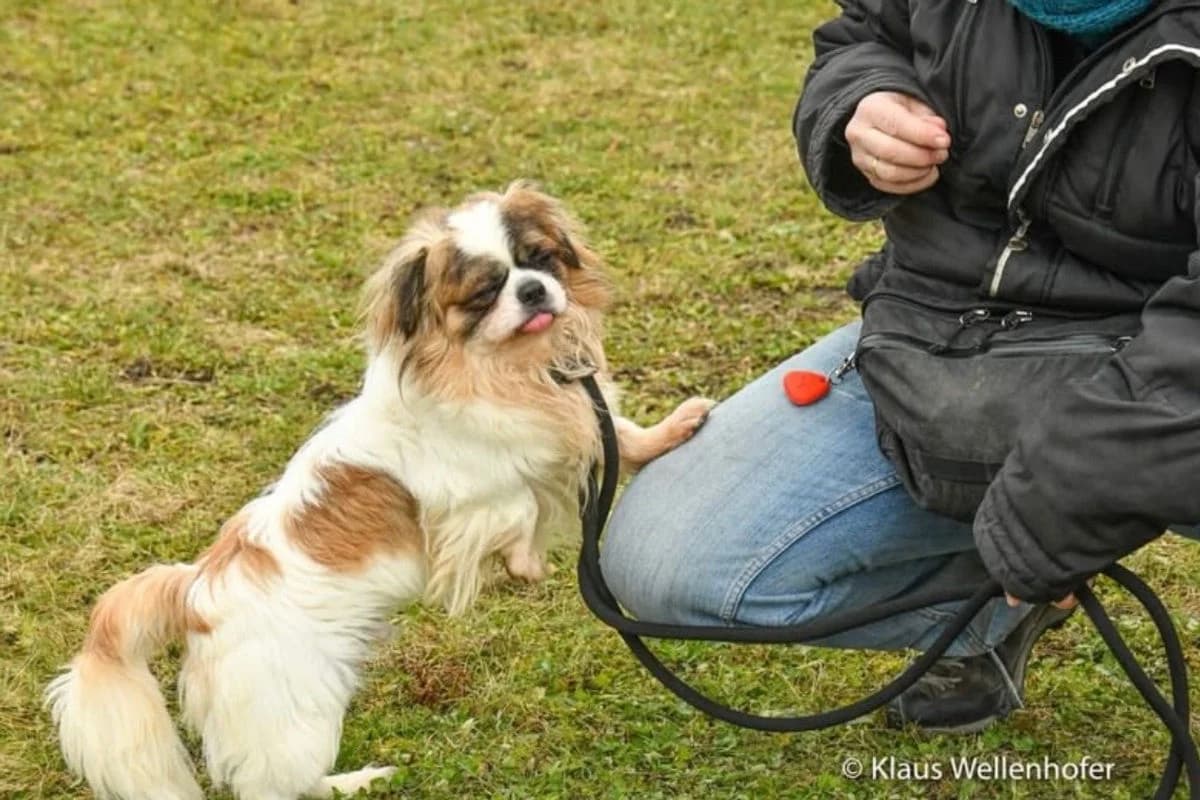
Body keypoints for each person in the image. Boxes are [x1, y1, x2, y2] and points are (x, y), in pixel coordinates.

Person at [600, 0, 1200, 733]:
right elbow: (863, 36)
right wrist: (861, 104)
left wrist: (1064, 502)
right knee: (664, 562)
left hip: (1159, 350)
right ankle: (989, 613)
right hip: (942, 336)